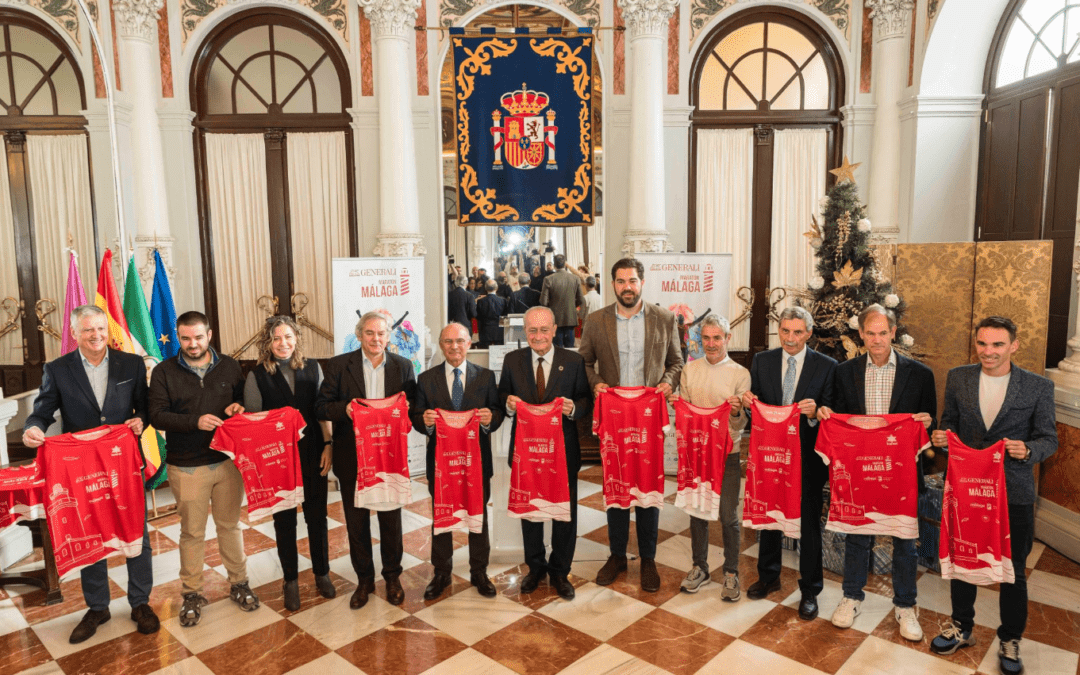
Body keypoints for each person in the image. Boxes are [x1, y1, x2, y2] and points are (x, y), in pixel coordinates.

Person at [928, 316, 1057, 675]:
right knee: (964, 559)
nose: (988, 351)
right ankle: (961, 627)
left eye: (998, 344)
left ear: (1014, 345)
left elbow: (1049, 439)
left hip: (1013, 492)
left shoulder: (1038, 387)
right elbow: (949, 422)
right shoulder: (959, 377)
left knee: (1013, 570)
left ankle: (1010, 638)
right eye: (982, 343)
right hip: (967, 488)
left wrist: (1027, 450)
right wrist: (943, 437)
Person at [22, 305, 158, 643]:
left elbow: (144, 406)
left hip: (123, 464)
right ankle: (98, 607)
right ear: (74, 333)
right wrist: (32, 428)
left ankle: (140, 602)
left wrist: (141, 420)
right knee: (90, 532)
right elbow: (42, 411)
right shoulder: (57, 369)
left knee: (135, 531)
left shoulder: (131, 363)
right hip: (81, 469)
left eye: (100, 328)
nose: (96, 335)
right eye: (87, 330)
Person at [816, 304, 935, 640]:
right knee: (857, 537)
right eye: (870, 333)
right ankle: (851, 597)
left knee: (905, 542)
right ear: (861, 334)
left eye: (883, 333)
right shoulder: (844, 372)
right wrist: (825, 413)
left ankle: (906, 605)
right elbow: (835, 415)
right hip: (859, 473)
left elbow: (931, 422)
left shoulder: (920, 375)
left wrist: (929, 422)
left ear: (893, 333)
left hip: (900, 475)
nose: (877, 340)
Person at [578, 258, 683, 592]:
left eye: (633, 280)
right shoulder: (596, 321)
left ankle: (648, 558)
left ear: (642, 282)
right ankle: (617, 555)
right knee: (616, 484)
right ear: (612, 284)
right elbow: (584, 362)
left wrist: (667, 382)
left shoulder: (664, 318)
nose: (627, 287)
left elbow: (676, 362)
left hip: (649, 417)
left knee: (649, 487)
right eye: (621, 281)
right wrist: (596, 383)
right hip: (615, 417)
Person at [148, 311, 258, 627]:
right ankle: (192, 593)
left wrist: (238, 407)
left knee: (230, 526)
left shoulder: (230, 366)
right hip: (186, 466)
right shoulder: (164, 371)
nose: (192, 344)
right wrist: (193, 422)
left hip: (227, 462)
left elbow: (243, 402)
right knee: (192, 532)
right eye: (185, 338)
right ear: (178, 337)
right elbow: (156, 415)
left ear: (209, 335)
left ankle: (239, 583)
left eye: (198, 337)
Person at [316, 312, 417, 610]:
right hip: (352, 458)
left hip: (389, 458)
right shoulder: (338, 366)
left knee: (391, 522)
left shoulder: (403, 366)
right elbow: (321, 406)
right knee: (356, 523)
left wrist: (408, 410)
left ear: (388, 336)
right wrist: (345, 409)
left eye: (381, 333)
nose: (376, 339)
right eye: (370, 333)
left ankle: (393, 577)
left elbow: (413, 407)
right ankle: (364, 580)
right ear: (359, 334)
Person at [740, 306, 836, 621]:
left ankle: (810, 590)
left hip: (807, 459)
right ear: (778, 331)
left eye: (797, 332)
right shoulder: (762, 360)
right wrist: (749, 403)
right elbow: (755, 406)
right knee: (769, 516)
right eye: (785, 331)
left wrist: (815, 413)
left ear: (808, 333)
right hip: (770, 454)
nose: (790, 338)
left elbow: (833, 412)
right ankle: (768, 577)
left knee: (808, 525)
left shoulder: (827, 366)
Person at [498, 307, 592, 600]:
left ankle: (560, 571)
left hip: (562, 452)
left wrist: (573, 408)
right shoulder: (513, 360)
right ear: (525, 331)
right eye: (532, 330)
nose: (538, 336)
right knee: (530, 512)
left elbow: (586, 400)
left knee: (564, 515)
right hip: (525, 453)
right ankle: (535, 567)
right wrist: (509, 404)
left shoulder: (573, 361)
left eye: (543, 330)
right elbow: (501, 396)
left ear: (554, 330)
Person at [243, 316, 336, 611]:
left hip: (313, 453)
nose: (283, 343)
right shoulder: (256, 376)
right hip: (277, 461)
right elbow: (254, 424)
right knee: (284, 521)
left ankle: (322, 573)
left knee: (317, 517)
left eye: (288, 337)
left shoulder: (313, 368)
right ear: (268, 343)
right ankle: (291, 580)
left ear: (296, 339)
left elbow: (321, 412)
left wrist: (329, 445)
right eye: (276, 338)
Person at [411, 323, 504, 600]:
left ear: (469, 344)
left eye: (460, 341)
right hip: (441, 465)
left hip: (477, 462)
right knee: (442, 515)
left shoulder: (485, 377)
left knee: (478, 515)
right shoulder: (426, 379)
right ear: (441, 345)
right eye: (448, 341)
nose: (454, 347)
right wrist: (425, 422)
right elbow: (415, 416)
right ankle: (441, 572)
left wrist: (489, 419)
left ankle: (479, 571)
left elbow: (497, 412)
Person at [673, 314, 750, 600]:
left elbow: (741, 425)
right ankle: (700, 567)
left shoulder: (740, 374)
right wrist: (678, 406)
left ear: (727, 338)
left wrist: (735, 412)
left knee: (728, 515)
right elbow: (687, 416)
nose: (711, 344)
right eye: (706, 338)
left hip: (727, 454)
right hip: (697, 453)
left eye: (717, 338)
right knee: (697, 512)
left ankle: (731, 572)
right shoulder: (690, 370)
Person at [540, 254, 584, 348]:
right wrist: (571, 305)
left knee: (557, 350)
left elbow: (543, 302)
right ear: (565, 264)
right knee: (570, 350)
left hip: (555, 318)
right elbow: (581, 299)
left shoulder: (548, 279)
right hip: (570, 318)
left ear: (554, 265)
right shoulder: (575, 278)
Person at [476, 279, 506, 348]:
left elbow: (478, 317)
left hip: (485, 331)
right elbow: (504, 317)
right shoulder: (503, 301)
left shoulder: (480, 301)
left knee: (484, 353)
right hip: (499, 332)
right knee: (499, 353)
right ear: (496, 288)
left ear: (485, 288)